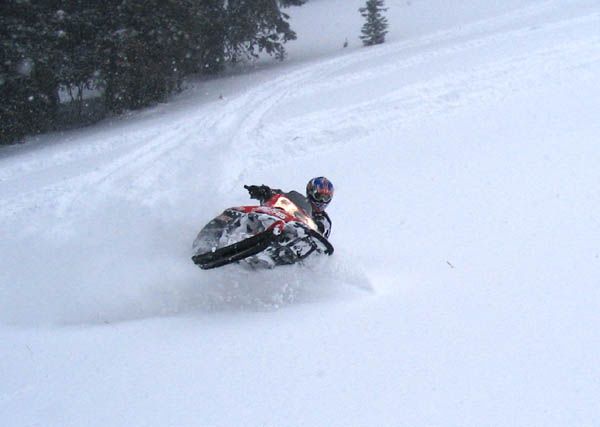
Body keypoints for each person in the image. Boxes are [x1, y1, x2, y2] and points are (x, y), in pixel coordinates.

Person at [244, 177, 334, 238]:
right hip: (283, 220)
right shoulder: (298, 202)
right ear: (310, 192)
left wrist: (318, 227)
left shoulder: (325, 220)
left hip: (299, 238)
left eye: (325, 197)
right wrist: (264, 192)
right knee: (263, 211)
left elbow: (323, 234)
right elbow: (279, 194)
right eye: (319, 196)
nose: (322, 200)